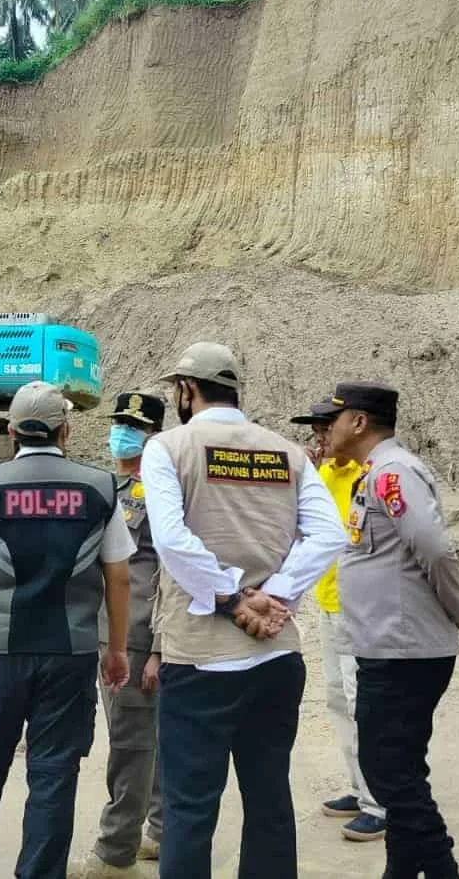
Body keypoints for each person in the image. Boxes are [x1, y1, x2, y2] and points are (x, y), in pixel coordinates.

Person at [141, 342, 346, 879]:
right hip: (275, 658)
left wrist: (232, 598)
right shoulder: (290, 454)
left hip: (199, 660)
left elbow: (172, 540)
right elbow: (328, 534)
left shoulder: (168, 447)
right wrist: (276, 594)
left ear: (186, 389)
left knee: (188, 811)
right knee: (270, 802)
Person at [0, 380, 136, 879]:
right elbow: (120, 576)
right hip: (70, 657)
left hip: (1, 654)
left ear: (10, 430)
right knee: (53, 777)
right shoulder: (100, 488)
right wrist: (116, 650)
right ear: (65, 430)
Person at [324, 382, 459, 879]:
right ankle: (400, 870)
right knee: (398, 767)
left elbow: (434, 548)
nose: (327, 428)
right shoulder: (377, 472)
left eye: (333, 418)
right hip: (389, 645)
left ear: (358, 422)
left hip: (403, 649)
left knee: (389, 774)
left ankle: (442, 869)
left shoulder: (394, 474)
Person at [76, 391, 168, 878]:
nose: (121, 432)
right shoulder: (109, 486)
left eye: (133, 426)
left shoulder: (164, 492)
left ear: (154, 436)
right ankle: (160, 830)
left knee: (131, 743)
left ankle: (116, 854)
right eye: (118, 423)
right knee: (141, 736)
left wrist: (157, 647)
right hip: (105, 629)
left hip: (134, 634)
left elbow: (170, 572)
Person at [289, 397, 389, 843]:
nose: (318, 439)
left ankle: (380, 802)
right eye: (314, 433)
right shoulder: (323, 473)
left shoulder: (368, 476)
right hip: (328, 603)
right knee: (338, 700)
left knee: (363, 704)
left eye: (324, 430)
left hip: (361, 608)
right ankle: (359, 787)